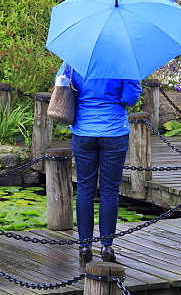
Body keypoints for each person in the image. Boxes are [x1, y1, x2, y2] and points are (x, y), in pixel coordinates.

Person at [61, 63, 143, 263]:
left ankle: (84, 245)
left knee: (85, 189)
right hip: (114, 132)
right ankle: (107, 246)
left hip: (83, 131)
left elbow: (62, 88)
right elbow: (131, 98)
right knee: (109, 190)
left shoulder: (74, 59)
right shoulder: (123, 60)